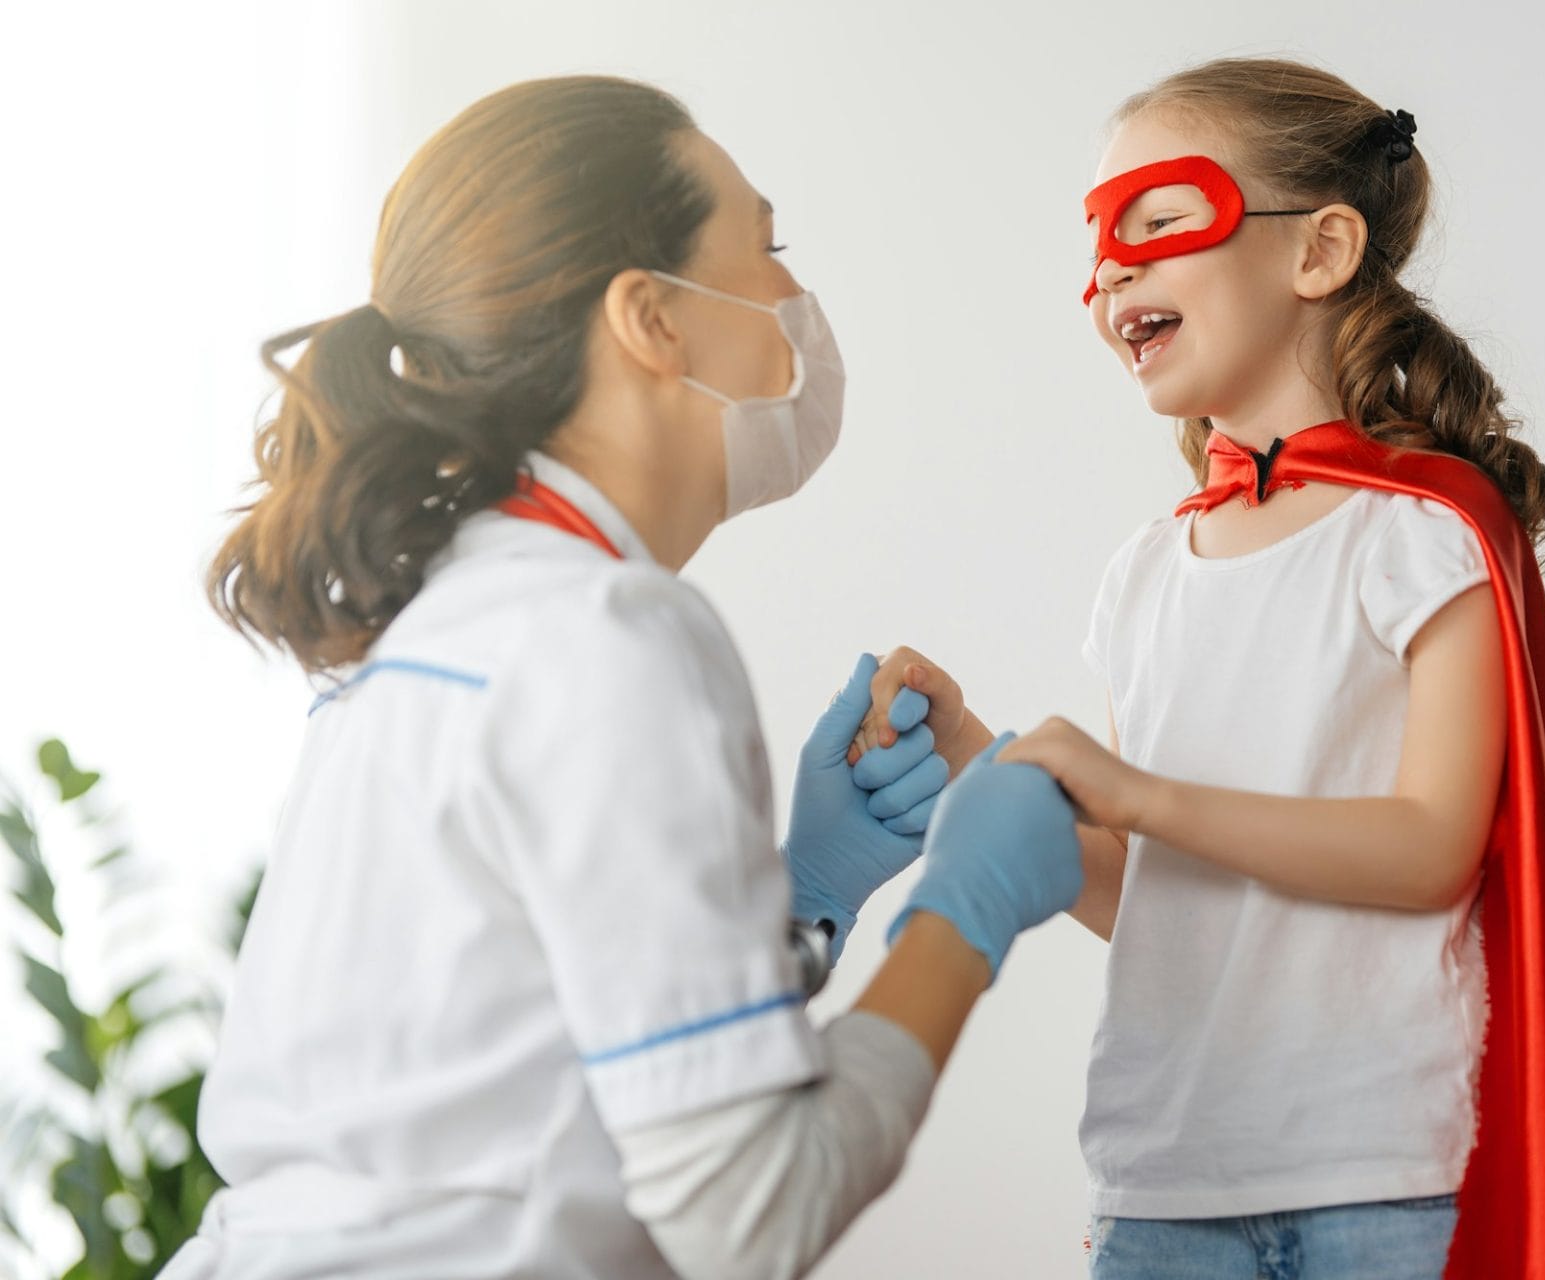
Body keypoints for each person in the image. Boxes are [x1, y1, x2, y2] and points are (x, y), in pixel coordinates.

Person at [160, 75, 1082, 1280]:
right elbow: (753, 1212)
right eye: (767, 246)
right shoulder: (608, 632)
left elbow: (523, 1063)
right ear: (652, 316)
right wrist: (965, 906)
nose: (798, 302)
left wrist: (791, 906)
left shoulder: (462, 613)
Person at [849, 57, 1545, 1280]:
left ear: (1319, 251)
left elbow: (1429, 850)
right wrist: (968, 755)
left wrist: (1139, 792)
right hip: (1165, 1181)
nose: (1111, 270)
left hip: (1385, 1178)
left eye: (1157, 220)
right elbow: (1148, 891)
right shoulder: (1143, 574)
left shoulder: (1421, 532)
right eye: (1098, 241)